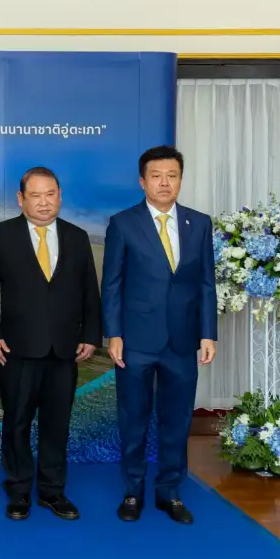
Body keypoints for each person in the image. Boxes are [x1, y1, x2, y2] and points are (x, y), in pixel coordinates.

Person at [101, 146, 217, 525]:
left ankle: (170, 492)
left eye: (172, 175)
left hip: (182, 342)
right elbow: (112, 284)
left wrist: (208, 333)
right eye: (156, 175)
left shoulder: (199, 223)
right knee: (133, 418)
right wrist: (113, 333)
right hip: (135, 341)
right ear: (142, 181)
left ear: (180, 179)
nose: (164, 182)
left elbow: (206, 283)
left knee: (177, 420)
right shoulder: (123, 223)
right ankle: (133, 491)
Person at [0, 167, 102, 521]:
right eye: (35, 195)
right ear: (21, 199)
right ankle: (18, 490)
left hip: (65, 349)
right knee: (16, 421)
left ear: (60, 196)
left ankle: (52, 491)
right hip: (15, 349)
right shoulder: (1, 235)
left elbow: (89, 291)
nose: (44, 202)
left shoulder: (77, 237)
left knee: (57, 423)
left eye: (50, 194)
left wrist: (90, 335)